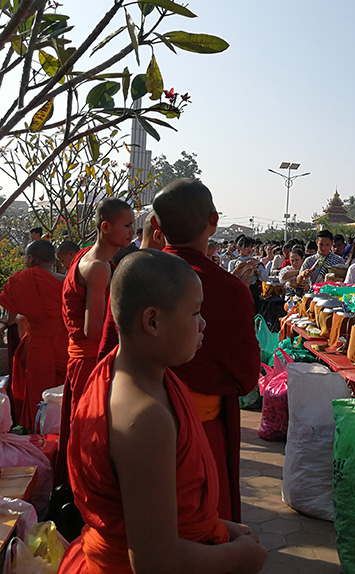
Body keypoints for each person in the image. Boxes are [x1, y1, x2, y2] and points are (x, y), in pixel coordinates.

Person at [58, 250, 266, 574]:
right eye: (195, 312)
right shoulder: (143, 418)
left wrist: (221, 526)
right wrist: (242, 557)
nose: (203, 323)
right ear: (152, 321)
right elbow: (155, 561)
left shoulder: (134, 371)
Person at [153, 178, 260, 522]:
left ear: (157, 226)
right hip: (201, 431)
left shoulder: (136, 278)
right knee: (203, 524)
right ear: (213, 221)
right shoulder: (227, 288)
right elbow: (245, 375)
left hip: (135, 426)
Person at [58, 198, 135, 484]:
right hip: (91, 359)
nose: (131, 232)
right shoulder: (100, 267)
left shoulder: (84, 256)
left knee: (81, 431)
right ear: (105, 226)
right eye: (126, 225)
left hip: (82, 357)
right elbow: (94, 331)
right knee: (91, 437)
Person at [0, 240, 67, 431]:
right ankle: (64, 429)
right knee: (62, 388)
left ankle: (37, 430)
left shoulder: (21, 280)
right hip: (65, 343)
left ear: (30, 258)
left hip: (38, 345)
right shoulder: (66, 281)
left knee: (39, 391)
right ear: (53, 259)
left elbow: (11, 318)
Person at [98, 211, 166, 360]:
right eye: (127, 225)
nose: (133, 231)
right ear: (159, 236)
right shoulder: (141, 271)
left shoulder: (130, 266)